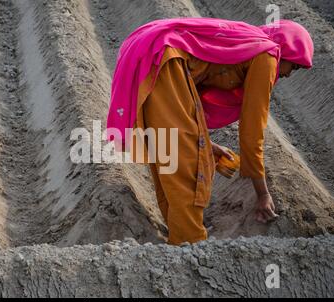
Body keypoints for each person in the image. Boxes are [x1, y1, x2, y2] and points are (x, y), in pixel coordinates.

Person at [106, 18, 314, 245]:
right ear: (286, 51)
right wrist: (263, 194)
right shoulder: (268, 56)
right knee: (186, 165)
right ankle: (190, 245)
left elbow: (189, 104)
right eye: (294, 66)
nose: (289, 74)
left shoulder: (248, 44)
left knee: (169, 153)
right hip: (167, 60)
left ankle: (179, 239)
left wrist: (205, 143)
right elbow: (252, 130)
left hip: (159, 57)